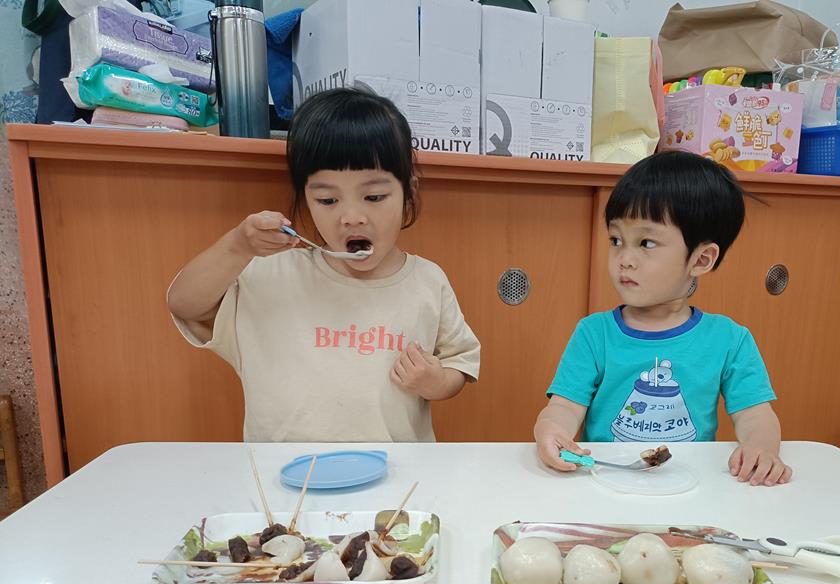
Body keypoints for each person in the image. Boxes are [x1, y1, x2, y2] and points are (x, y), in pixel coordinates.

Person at [167, 88, 480, 442]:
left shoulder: (427, 281)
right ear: (306, 199)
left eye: (374, 196)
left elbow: (460, 362)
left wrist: (436, 382)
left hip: (393, 471)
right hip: (283, 472)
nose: (352, 217)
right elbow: (184, 305)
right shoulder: (272, 275)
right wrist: (238, 246)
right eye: (328, 200)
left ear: (408, 194)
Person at [534, 151, 791, 486]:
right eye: (616, 240)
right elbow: (565, 408)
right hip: (606, 482)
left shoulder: (729, 340)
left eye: (646, 243)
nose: (624, 259)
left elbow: (755, 414)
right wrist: (550, 430)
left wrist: (762, 448)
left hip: (690, 486)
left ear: (701, 259)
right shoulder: (594, 334)